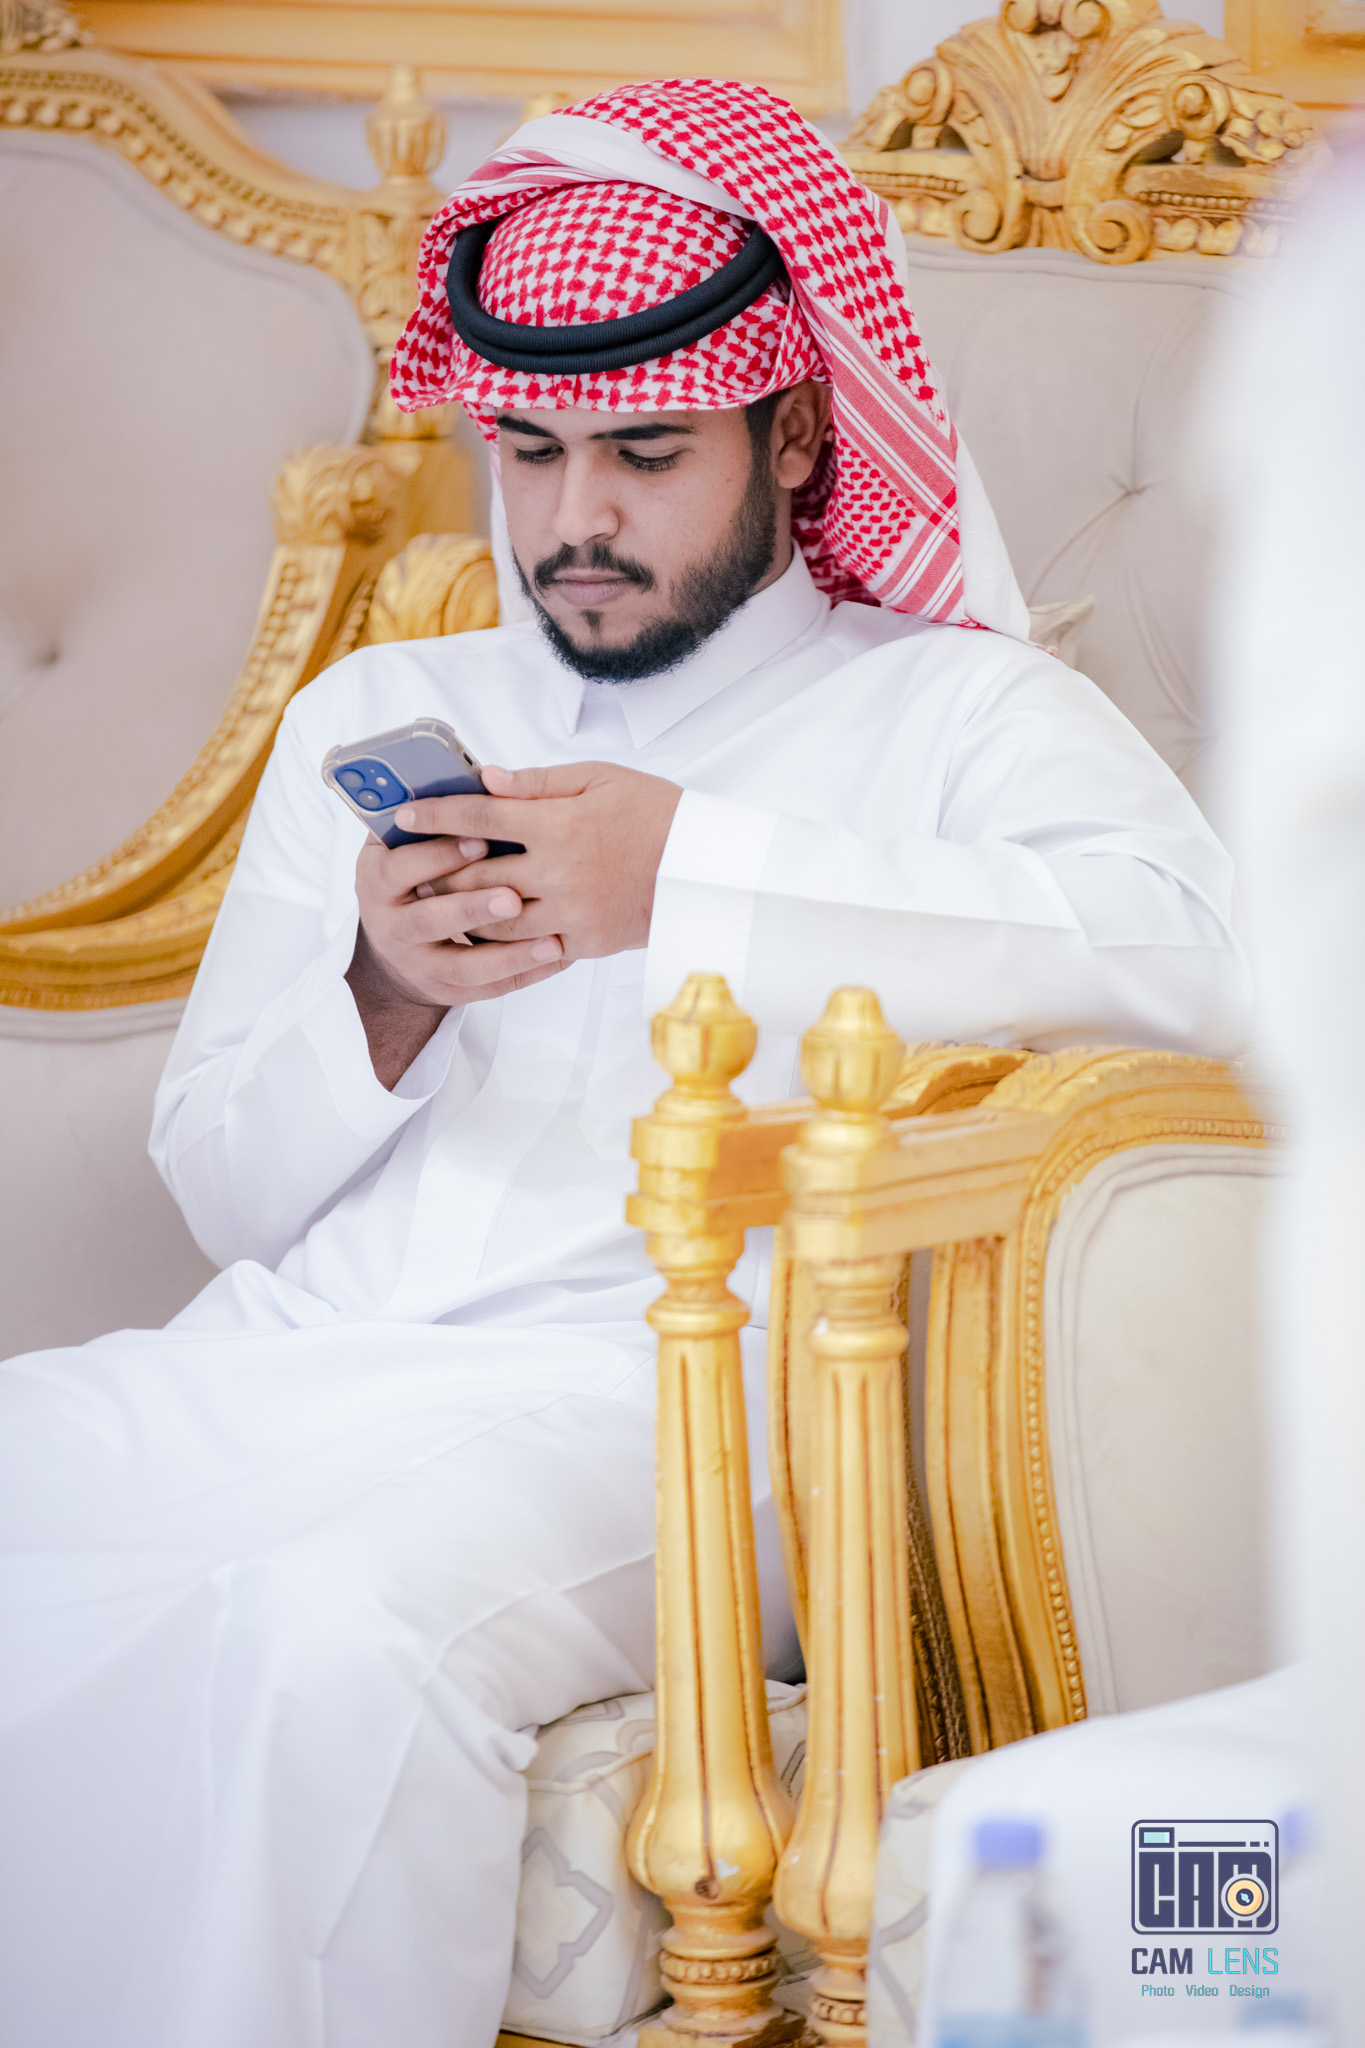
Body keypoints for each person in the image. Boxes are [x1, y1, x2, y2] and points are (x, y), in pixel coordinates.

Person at [0, 78, 1250, 2048]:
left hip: (675, 1416)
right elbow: (225, 1192)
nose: (573, 520)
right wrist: (382, 993)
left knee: (320, 1635)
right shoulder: (386, 705)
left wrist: (687, 872)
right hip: (292, 1358)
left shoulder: (957, 713)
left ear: (797, 429)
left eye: (645, 451)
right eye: (530, 451)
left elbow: (1198, 975)